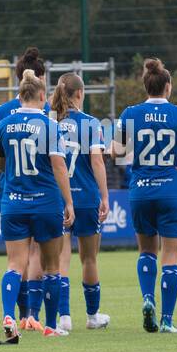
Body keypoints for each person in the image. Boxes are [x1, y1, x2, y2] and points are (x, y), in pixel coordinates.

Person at [113, 57, 177, 333]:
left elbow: (115, 152)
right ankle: (167, 320)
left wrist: (136, 155)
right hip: (171, 189)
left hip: (141, 190)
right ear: (168, 87)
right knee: (171, 256)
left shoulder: (130, 113)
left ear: (146, 86)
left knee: (147, 251)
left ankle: (148, 299)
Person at [0, 69, 74, 338]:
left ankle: (9, 316)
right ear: (41, 95)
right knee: (52, 266)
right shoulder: (50, 125)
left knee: (15, 264)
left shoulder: (5, 125)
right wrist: (69, 202)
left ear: (20, 95)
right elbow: (59, 166)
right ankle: (49, 325)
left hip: (13, 202)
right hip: (46, 203)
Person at [0, 46, 50, 325]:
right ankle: (33, 315)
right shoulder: (47, 111)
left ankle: (17, 314)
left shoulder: (1, 112)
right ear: (39, 80)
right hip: (41, 190)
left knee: (16, 257)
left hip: (10, 190)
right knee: (37, 253)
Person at [50, 71, 112, 331]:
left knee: (61, 259)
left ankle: (64, 317)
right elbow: (97, 160)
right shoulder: (91, 123)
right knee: (89, 259)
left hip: (58, 199)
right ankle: (92, 315)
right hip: (86, 198)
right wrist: (105, 195)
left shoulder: (50, 123)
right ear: (80, 94)